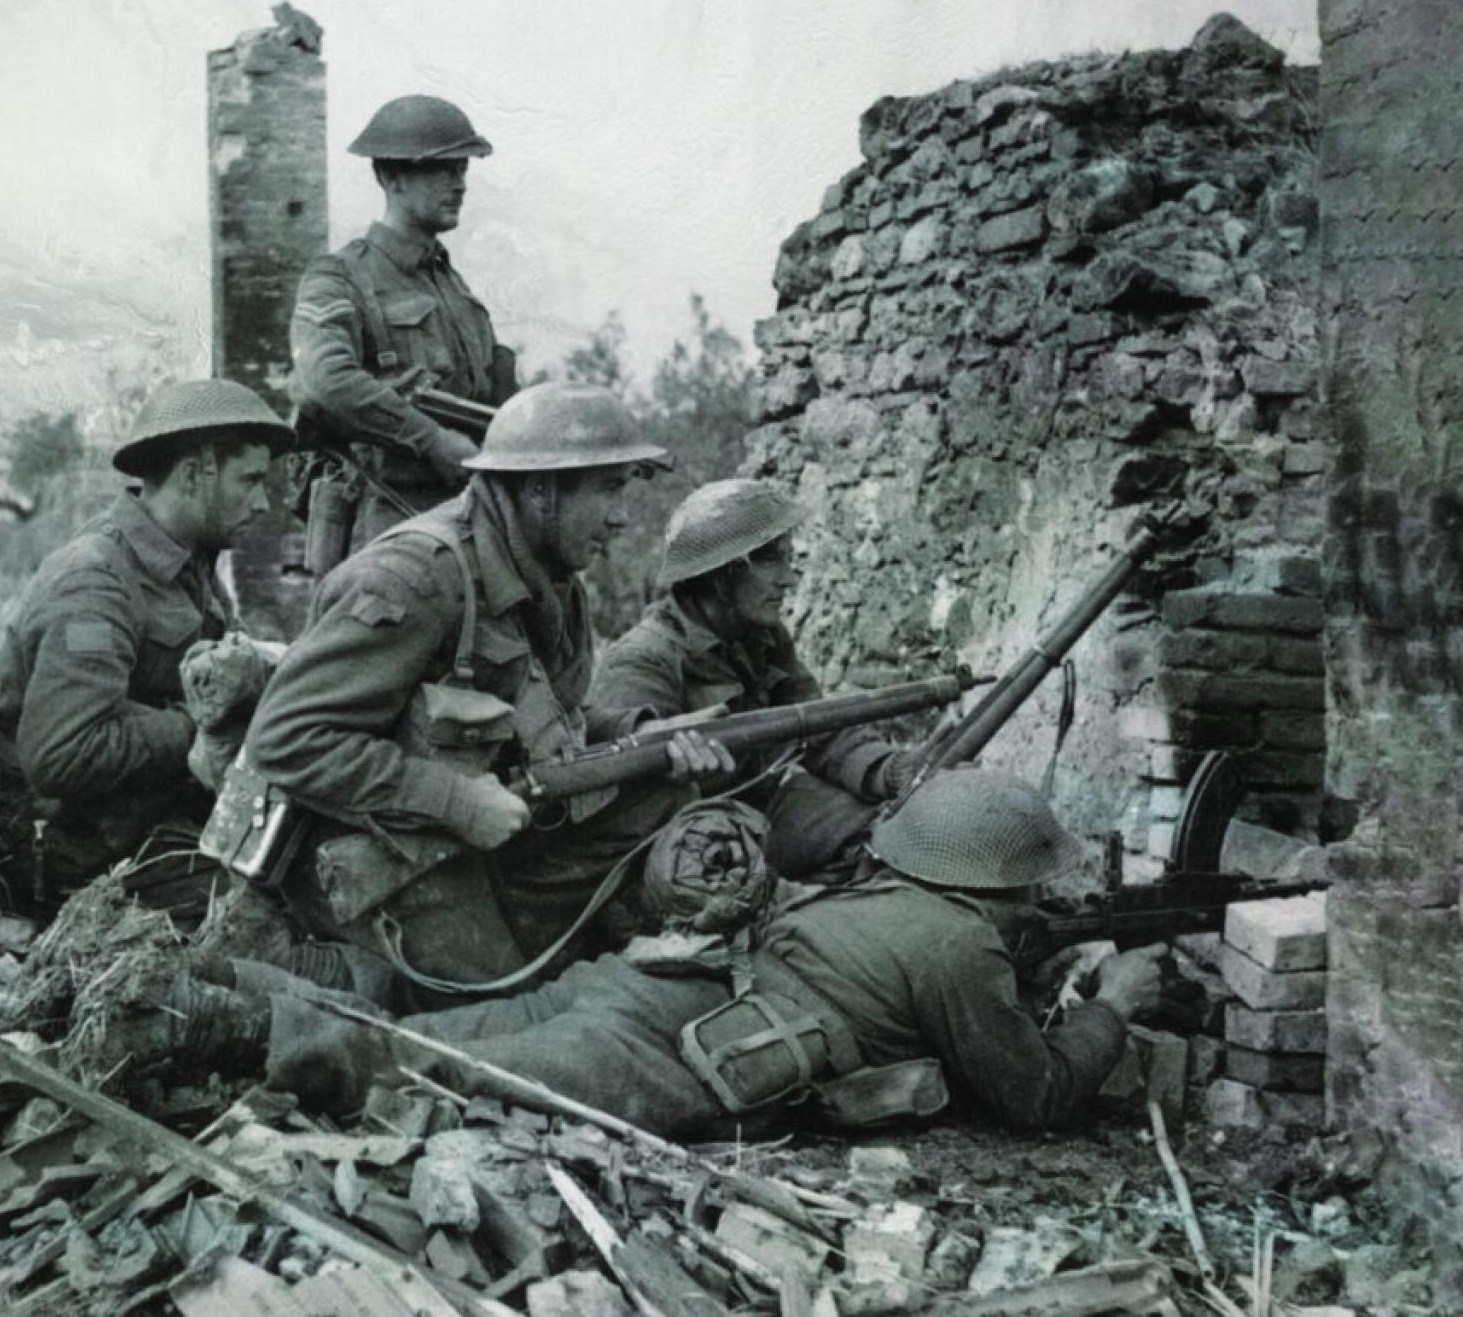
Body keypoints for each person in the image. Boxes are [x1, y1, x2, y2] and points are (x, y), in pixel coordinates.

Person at [163, 769, 1172, 1139]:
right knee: (442, 1071)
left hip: (650, 981)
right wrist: (1112, 1002)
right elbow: (1034, 1095)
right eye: (1031, 889)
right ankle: (213, 1018)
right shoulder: (961, 947)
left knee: (427, 1039)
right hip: (690, 1052)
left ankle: (216, 993)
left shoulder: (880, 886)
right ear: (1000, 885)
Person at [218, 383, 726, 1005]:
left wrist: (635, 734)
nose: (621, 516)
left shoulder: (554, 581)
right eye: (609, 489)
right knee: (506, 1015)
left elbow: (548, 718)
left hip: (475, 834)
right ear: (541, 490)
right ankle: (314, 964)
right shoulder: (414, 580)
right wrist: (455, 801)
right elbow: (283, 740)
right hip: (366, 857)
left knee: (661, 799)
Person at [0, 380, 294, 914]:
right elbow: (61, 754)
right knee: (265, 914)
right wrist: (201, 728)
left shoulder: (187, 561)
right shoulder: (95, 579)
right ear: (195, 473)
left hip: (121, 821)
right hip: (50, 853)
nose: (262, 500)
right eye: (249, 480)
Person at [588, 479, 922, 880]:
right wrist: (685, 781)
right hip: (684, 852)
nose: (789, 579)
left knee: (892, 833)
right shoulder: (641, 662)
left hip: (761, 810)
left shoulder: (760, 635)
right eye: (769, 561)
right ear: (718, 576)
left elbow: (820, 728)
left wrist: (894, 770)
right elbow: (623, 817)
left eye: (787, 559)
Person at [289, 94, 518, 564]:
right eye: (442, 169)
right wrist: (430, 440)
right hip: (382, 534)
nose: (459, 184)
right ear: (391, 176)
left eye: (462, 169)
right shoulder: (339, 278)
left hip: (465, 527)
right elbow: (322, 382)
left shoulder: (456, 291)